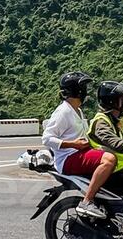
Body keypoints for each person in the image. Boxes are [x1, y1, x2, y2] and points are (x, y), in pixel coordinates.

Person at [41, 71, 118, 220]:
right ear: (77, 90)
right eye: (83, 87)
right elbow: (47, 138)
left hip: (78, 154)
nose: (86, 91)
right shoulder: (63, 111)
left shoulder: (77, 110)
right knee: (109, 160)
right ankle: (87, 202)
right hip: (68, 158)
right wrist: (73, 144)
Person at [87, 81, 123, 198]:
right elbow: (115, 144)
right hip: (116, 171)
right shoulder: (101, 122)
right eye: (122, 100)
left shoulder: (111, 121)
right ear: (113, 101)